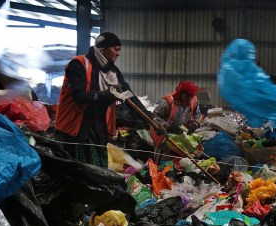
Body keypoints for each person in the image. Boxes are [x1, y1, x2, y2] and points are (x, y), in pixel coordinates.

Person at [55, 32, 151, 167]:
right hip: (74, 129)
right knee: (74, 169)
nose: (118, 54)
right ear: (102, 50)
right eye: (115, 49)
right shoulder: (79, 64)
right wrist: (103, 95)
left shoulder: (113, 73)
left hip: (97, 128)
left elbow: (129, 96)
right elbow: (79, 96)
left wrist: (152, 120)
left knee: (97, 168)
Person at [149, 80, 201, 149]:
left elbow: (197, 115)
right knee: (165, 157)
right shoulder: (167, 101)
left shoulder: (194, 101)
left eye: (191, 96)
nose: (189, 99)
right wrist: (168, 125)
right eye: (187, 96)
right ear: (181, 93)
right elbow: (154, 117)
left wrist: (194, 124)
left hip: (182, 137)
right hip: (165, 136)